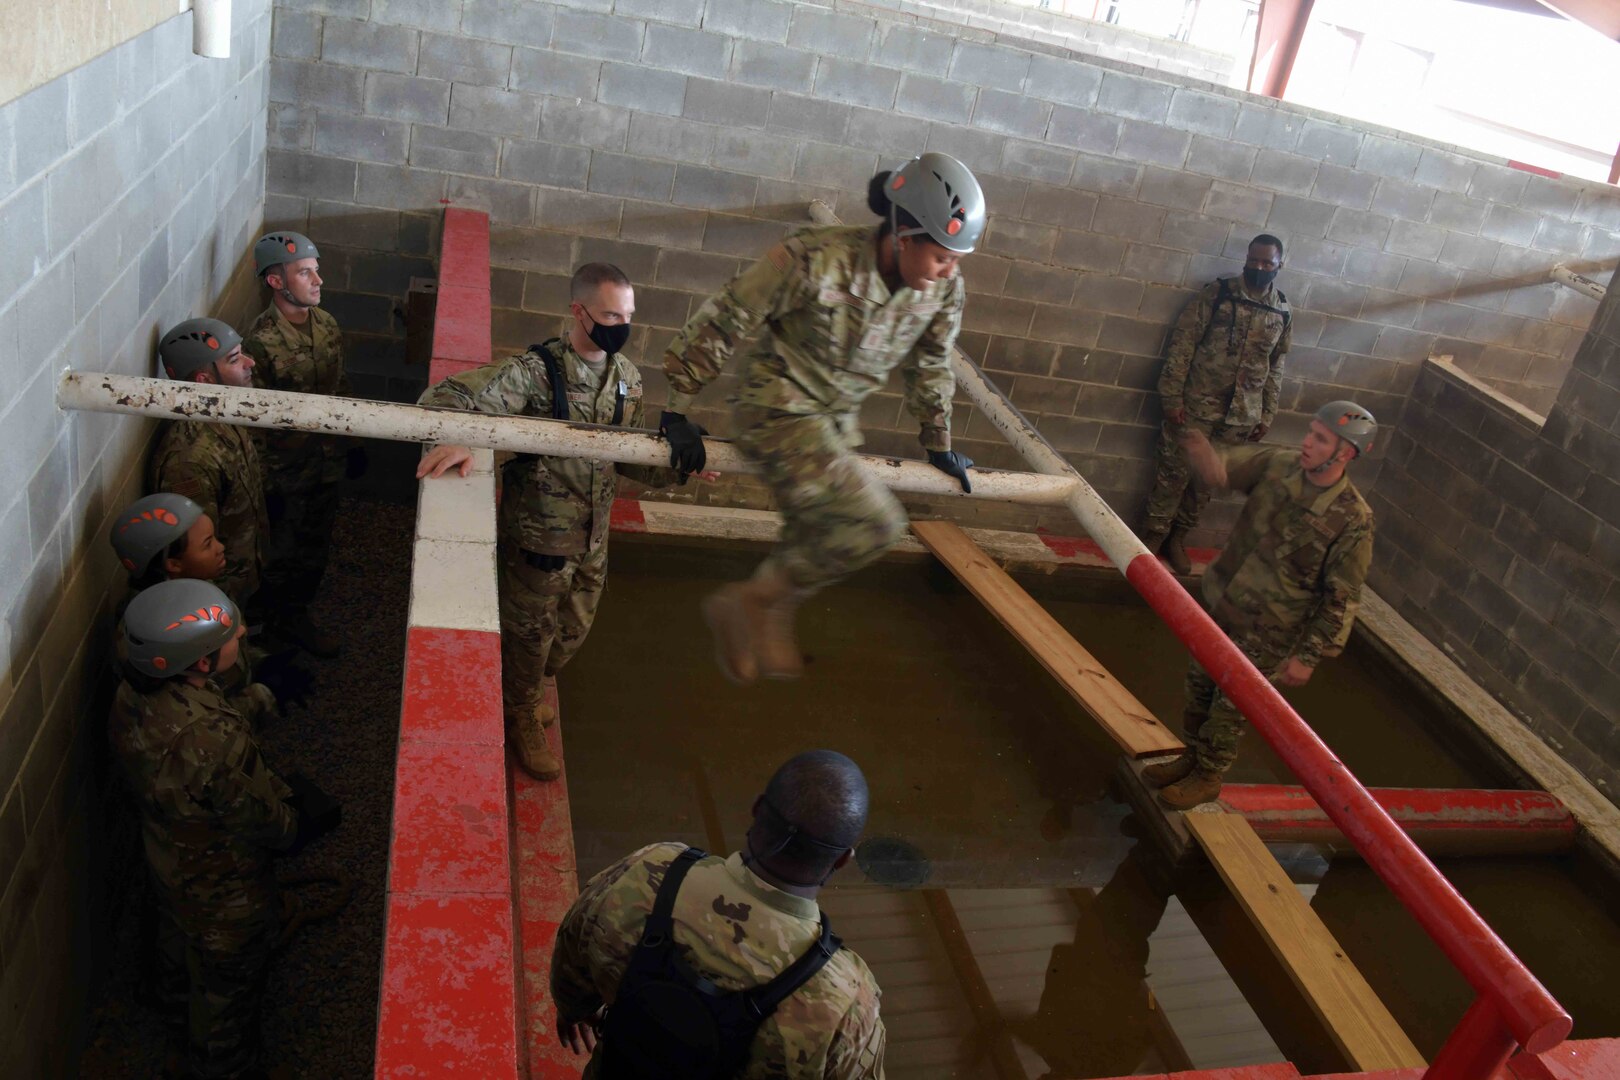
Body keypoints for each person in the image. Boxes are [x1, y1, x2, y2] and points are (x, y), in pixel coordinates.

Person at [659, 152, 983, 685]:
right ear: (904, 235)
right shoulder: (815, 259)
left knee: (816, 522)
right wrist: (677, 408)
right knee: (876, 522)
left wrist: (938, 441)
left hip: (834, 423)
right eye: (943, 255)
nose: (951, 270)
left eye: (958, 258)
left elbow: (932, 362)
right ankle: (758, 601)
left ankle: (753, 612)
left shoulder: (944, 290)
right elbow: (731, 314)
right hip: (777, 406)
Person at [416, 262, 686, 782]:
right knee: (528, 637)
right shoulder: (537, 372)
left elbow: (627, 459)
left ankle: (527, 693)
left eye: (627, 315)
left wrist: (680, 466)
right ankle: (519, 714)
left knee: (571, 634)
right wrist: (460, 435)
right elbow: (450, 398)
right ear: (578, 312)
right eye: (610, 314)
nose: (620, 326)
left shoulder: (625, 379)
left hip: (592, 541)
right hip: (539, 541)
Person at [549, 750, 886, 1078]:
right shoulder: (847, 997)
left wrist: (575, 1009)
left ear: (756, 809)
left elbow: (573, 944)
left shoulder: (653, 871)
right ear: (843, 860)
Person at [109, 579, 298, 1078]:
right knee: (227, 993)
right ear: (199, 663)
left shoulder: (135, 690)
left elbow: (188, 736)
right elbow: (268, 823)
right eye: (229, 635)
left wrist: (257, 699)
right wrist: (293, 818)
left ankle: (169, 1005)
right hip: (222, 888)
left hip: (166, 859)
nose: (239, 632)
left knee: (176, 949)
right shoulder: (214, 743)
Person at [1147, 400, 1377, 810]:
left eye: (1320, 439)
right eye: (1310, 432)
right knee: (1199, 689)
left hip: (1269, 628)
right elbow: (1228, 467)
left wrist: (1307, 656)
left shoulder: (1352, 518)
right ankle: (1190, 758)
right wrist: (1207, 459)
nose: (1307, 443)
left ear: (1346, 454)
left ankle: (1209, 775)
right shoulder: (1279, 465)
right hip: (1226, 603)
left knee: (1231, 706)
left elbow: (1342, 594)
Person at [1142, 234, 1291, 574]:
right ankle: (1150, 540)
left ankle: (1177, 539)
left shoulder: (1282, 310)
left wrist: (1266, 413)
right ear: (1246, 258)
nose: (1259, 267)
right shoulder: (1218, 295)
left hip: (1239, 417)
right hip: (1195, 407)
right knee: (1171, 476)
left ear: (1280, 265)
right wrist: (1172, 396)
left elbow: (1276, 366)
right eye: (1254, 260)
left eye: (1267, 263)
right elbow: (1183, 345)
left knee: (1205, 484)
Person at [242, 230, 359, 658]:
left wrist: (354, 440)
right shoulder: (260, 342)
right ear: (276, 282)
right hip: (284, 475)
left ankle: (297, 619)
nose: (318, 280)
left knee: (315, 547)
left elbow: (339, 385)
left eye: (316, 270)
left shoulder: (325, 324)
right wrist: (264, 482)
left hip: (325, 464)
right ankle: (269, 635)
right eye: (305, 273)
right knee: (279, 555)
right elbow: (254, 422)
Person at [109, 492, 311, 723]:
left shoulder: (195, 588)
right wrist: (262, 696)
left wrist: (258, 661)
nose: (221, 547)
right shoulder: (150, 637)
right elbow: (188, 719)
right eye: (207, 544)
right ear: (173, 564)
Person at [147, 318, 270, 615]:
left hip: (243, 578)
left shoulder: (222, 413)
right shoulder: (190, 459)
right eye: (235, 359)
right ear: (205, 381)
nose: (250, 362)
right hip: (217, 599)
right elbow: (194, 559)